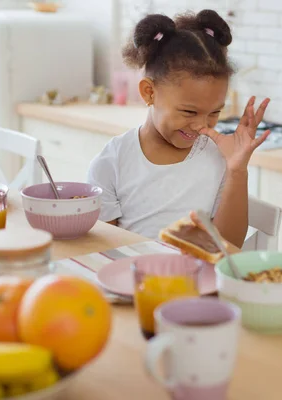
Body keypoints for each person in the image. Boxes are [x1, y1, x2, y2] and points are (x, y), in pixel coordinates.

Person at [87, 10, 270, 247]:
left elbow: (229, 246)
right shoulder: (113, 161)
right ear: (149, 92)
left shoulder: (218, 158)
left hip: (198, 281)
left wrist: (237, 170)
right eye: (189, 112)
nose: (201, 125)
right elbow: (104, 250)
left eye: (215, 112)